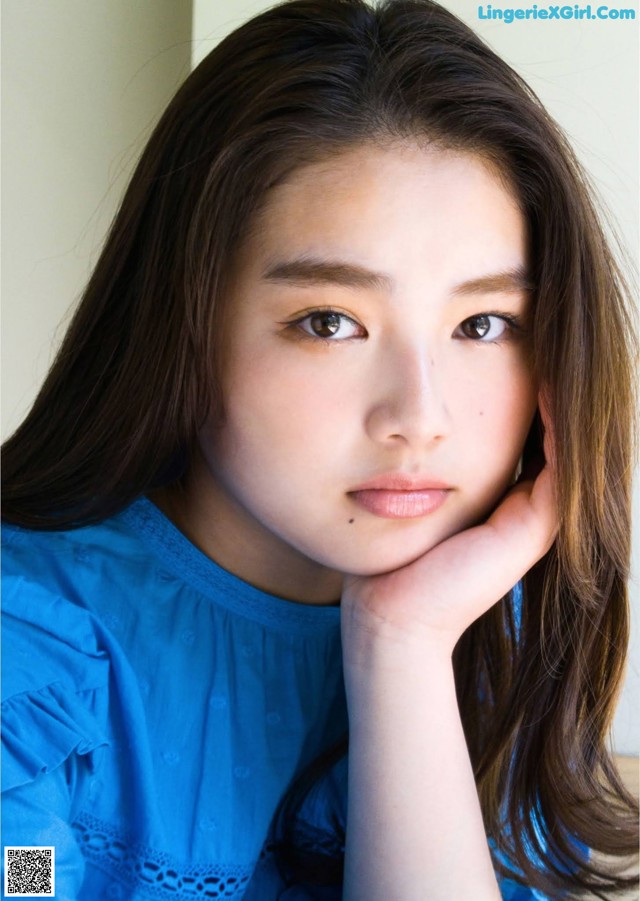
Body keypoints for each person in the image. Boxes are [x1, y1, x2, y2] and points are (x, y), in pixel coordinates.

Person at [1, 0, 638, 898]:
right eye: (331, 322)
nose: (421, 416)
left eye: (483, 323)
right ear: (182, 323)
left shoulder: (487, 626)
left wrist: (401, 645)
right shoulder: (27, 656)